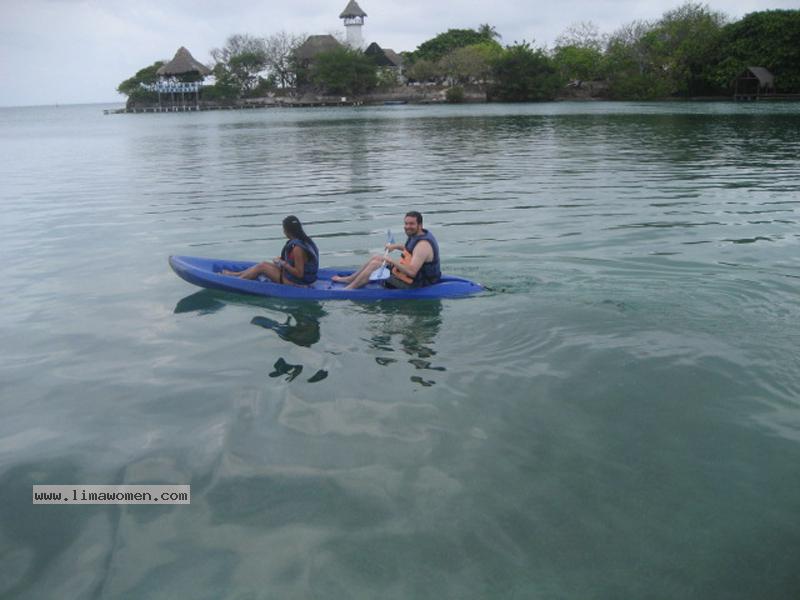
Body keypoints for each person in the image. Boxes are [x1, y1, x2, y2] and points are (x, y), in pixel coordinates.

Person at [332, 211, 441, 290]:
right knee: (376, 258)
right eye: (406, 223)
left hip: (417, 283)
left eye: (411, 224)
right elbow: (411, 250)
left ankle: (349, 289)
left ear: (420, 225)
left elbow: (412, 272)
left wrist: (391, 260)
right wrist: (395, 246)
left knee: (375, 264)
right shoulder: (417, 234)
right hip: (410, 275)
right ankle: (350, 279)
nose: (408, 226)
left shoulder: (423, 245)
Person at [221, 215, 319, 285]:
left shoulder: (298, 248)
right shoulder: (305, 241)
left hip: (299, 283)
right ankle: (235, 275)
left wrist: (283, 264)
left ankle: (235, 282)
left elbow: (299, 273)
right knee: (263, 264)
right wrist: (281, 261)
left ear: (287, 231)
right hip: (300, 279)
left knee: (262, 267)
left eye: (283, 229)